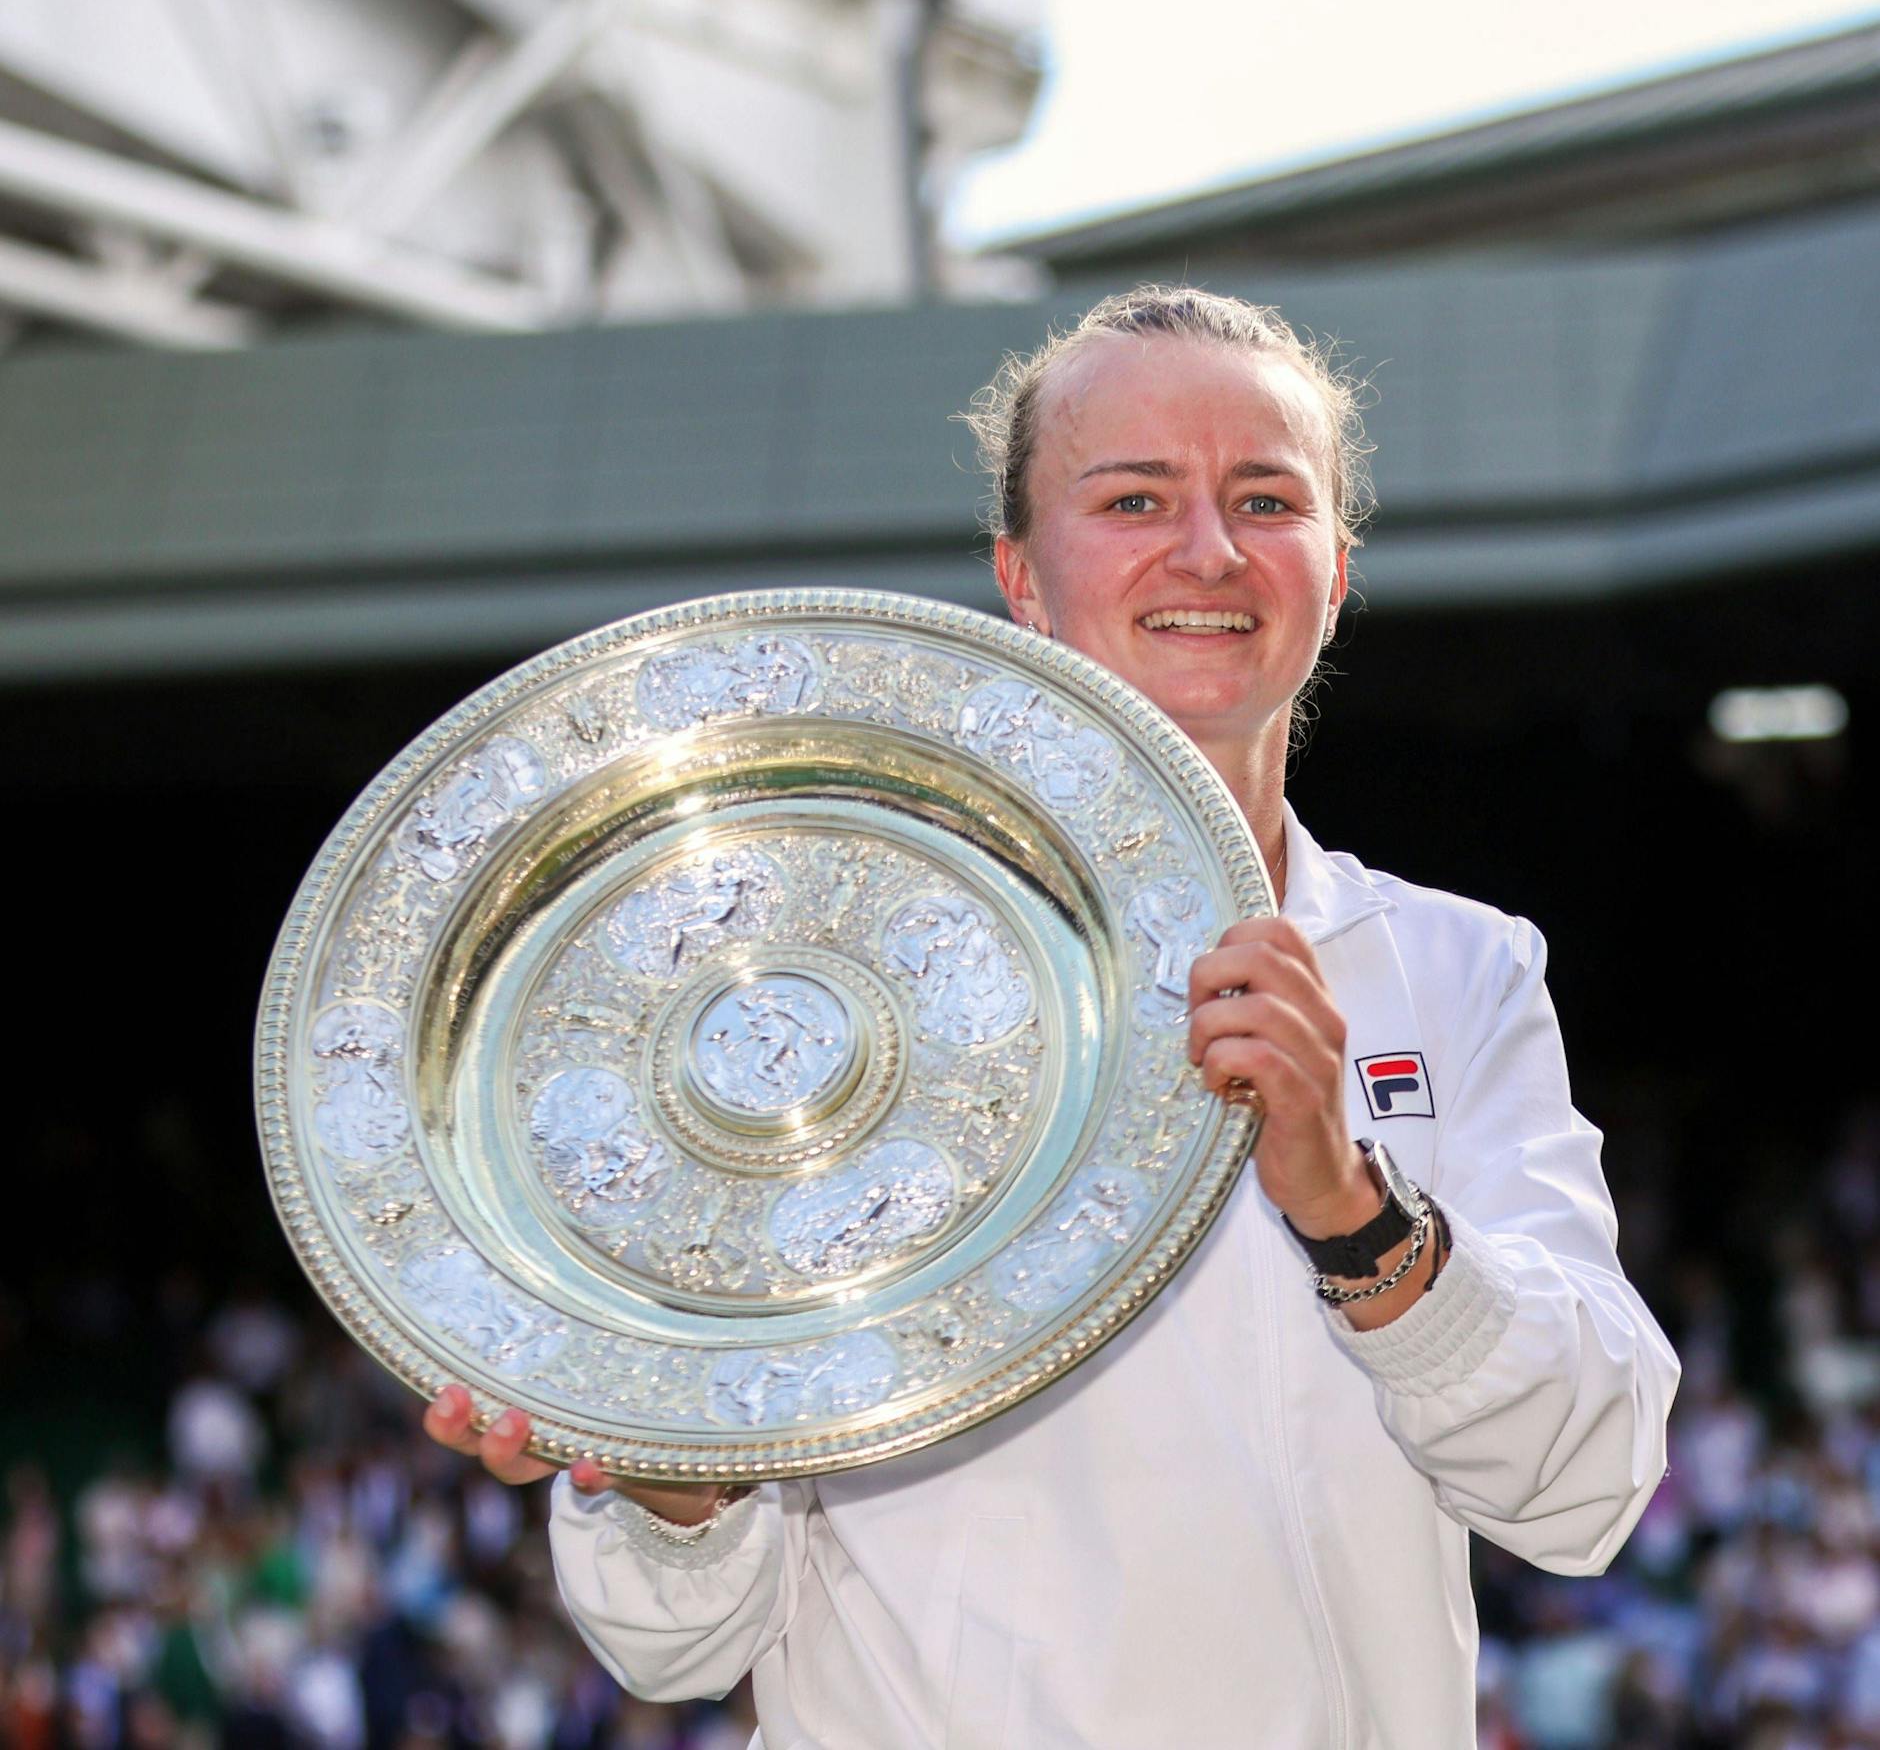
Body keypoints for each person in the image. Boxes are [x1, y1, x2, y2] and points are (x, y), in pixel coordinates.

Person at [424, 286, 1680, 1746]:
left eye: (1265, 500)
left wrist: (1356, 1216)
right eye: (1134, 496)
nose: (1206, 549)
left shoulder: (1460, 973)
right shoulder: (808, 1000)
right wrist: (658, 1462)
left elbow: (1590, 1489)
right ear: (1023, 576)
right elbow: (678, 1639)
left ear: (1335, 570)